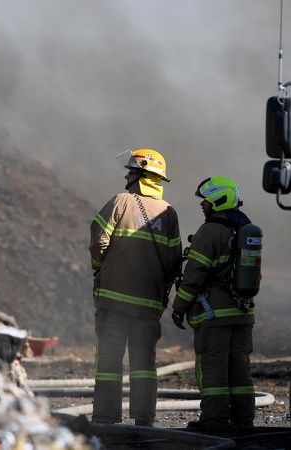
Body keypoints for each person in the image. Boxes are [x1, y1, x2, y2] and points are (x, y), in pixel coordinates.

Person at [89, 148, 181, 426]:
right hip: (148, 306)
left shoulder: (121, 202)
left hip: (113, 303)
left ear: (141, 175)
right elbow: (174, 262)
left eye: (131, 170)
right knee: (144, 366)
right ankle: (144, 418)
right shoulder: (169, 213)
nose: (127, 176)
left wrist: (100, 270)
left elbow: (97, 242)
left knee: (108, 363)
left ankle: (106, 417)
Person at [171, 176, 256, 430]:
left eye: (205, 201)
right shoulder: (244, 229)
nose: (202, 206)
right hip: (242, 314)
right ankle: (243, 421)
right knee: (240, 369)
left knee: (213, 369)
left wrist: (178, 308)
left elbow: (194, 275)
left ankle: (214, 421)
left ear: (219, 200)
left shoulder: (211, 231)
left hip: (214, 315)